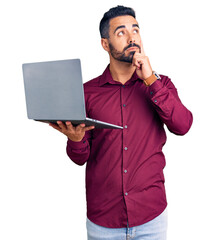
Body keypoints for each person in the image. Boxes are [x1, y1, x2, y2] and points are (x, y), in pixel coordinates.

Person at [49, 5, 193, 240]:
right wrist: (75, 140)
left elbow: (183, 125)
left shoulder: (160, 83)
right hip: (104, 221)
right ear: (105, 44)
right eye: (121, 32)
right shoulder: (86, 93)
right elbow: (80, 158)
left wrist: (150, 80)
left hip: (152, 219)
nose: (132, 37)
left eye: (135, 30)